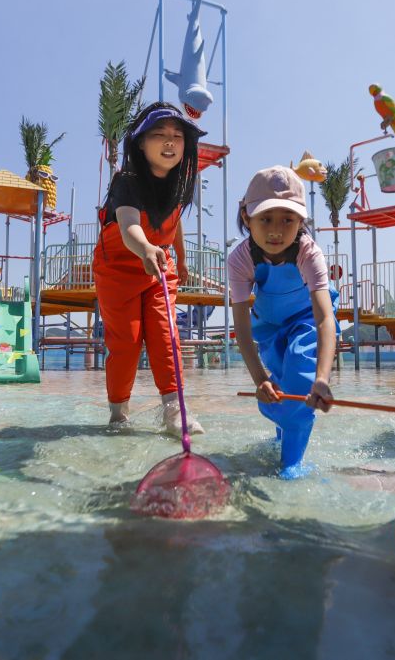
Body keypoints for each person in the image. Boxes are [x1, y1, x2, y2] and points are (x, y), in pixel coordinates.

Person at [92, 102, 205, 433]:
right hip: (119, 267)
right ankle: (118, 412)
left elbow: (174, 220)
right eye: (159, 134)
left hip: (158, 264)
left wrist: (181, 259)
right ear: (141, 142)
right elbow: (129, 224)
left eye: (177, 136)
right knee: (126, 342)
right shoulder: (126, 180)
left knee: (166, 334)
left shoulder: (181, 181)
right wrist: (144, 249)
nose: (170, 142)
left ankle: (175, 410)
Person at [228, 165, 339, 478]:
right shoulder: (240, 259)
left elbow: (324, 319)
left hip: (307, 319)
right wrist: (259, 380)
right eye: (265, 219)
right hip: (270, 328)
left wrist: (321, 378)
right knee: (278, 388)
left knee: (301, 376)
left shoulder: (308, 252)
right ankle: (283, 435)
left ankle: (291, 467)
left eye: (287, 219)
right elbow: (242, 329)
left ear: (301, 221)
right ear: (247, 217)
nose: (276, 230)